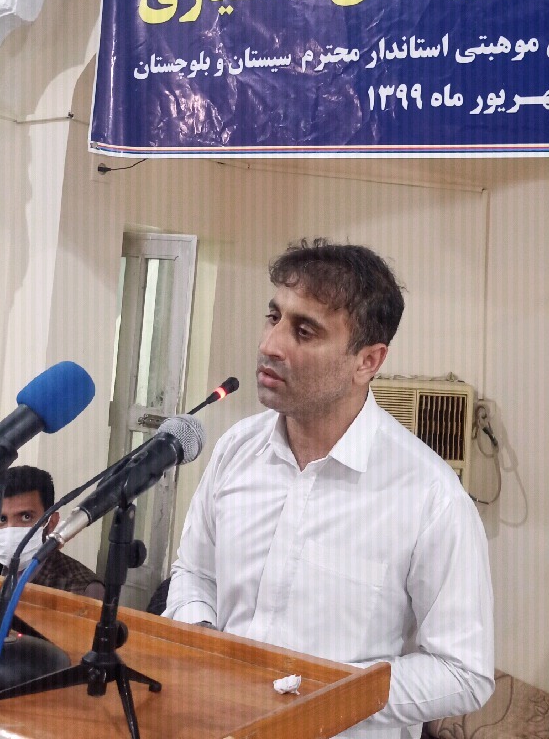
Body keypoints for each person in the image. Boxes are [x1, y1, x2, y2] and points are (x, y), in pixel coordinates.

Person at [164, 240, 494, 738]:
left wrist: (323, 695)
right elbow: (195, 573)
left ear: (368, 361)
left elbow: (463, 672)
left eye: (304, 331)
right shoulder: (237, 449)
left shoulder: (430, 497)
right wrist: (207, 644)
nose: (271, 345)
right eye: (273, 317)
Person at [0, 465, 105, 600]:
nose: (10, 530)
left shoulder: (81, 589)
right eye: (1, 519)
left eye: (26, 517)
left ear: (51, 522)